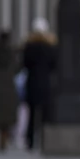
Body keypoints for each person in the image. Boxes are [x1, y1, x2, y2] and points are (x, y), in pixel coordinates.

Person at [23, 18, 57, 151]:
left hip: (32, 82)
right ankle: (44, 139)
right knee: (44, 114)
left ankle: (30, 140)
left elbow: (25, 64)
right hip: (45, 83)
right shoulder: (50, 47)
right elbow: (54, 65)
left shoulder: (29, 47)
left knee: (31, 114)